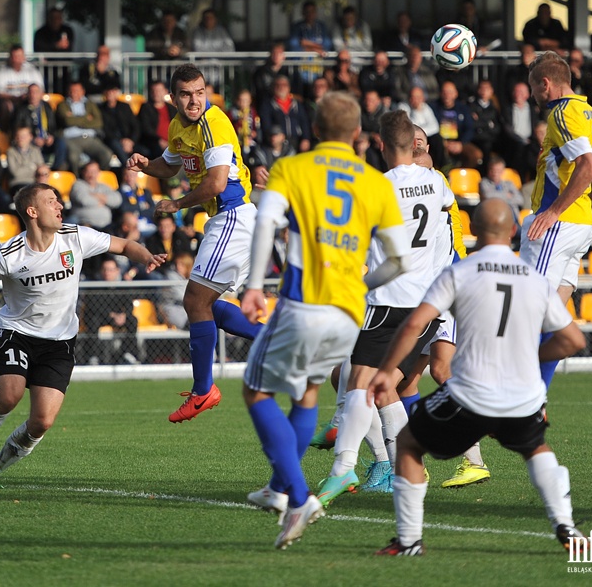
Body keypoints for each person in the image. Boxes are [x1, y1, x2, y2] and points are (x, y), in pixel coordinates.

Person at [368, 199, 587, 556]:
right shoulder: (535, 279)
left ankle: (409, 540)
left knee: (408, 444)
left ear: (472, 231)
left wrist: (383, 370)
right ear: (514, 231)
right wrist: (531, 357)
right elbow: (573, 341)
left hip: (471, 394)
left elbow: (415, 323)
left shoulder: (460, 272)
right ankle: (566, 526)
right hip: (523, 396)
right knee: (535, 448)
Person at [240, 90, 410, 549]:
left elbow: (266, 222)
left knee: (255, 392)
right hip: (350, 312)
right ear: (357, 134)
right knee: (307, 391)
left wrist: (254, 285)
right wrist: (364, 283)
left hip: (303, 300)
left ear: (313, 130)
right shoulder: (376, 183)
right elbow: (399, 261)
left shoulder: (292, 168)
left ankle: (298, 496)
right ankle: (279, 489)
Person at [0, 183, 164, 496]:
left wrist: (145, 255)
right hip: (17, 334)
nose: (59, 206)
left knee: (42, 421)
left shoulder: (76, 236)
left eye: (58, 200)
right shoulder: (10, 254)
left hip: (60, 343)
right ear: (32, 212)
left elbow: (122, 245)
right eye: (51, 201)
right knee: (9, 396)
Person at [315, 110, 453, 507]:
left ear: (378, 144)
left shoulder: (374, 187)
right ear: (414, 144)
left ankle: (343, 468)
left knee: (358, 382)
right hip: (427, 305)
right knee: (385, 386)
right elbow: (441, 207)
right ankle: (406, 470)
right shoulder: (436, 182)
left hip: (388, 300)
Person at [127, 64, 262, 423]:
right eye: (186, 94)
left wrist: (176, 204)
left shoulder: (214, 123)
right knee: (202, 304)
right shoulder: (178, 127)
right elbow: (170, 166)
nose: (194, 100)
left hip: (232, 215)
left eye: (200, 92)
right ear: (172, 98)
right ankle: (276, 342)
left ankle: (204, 391)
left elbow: (217, 183)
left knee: (194, 300)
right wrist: (145, 166)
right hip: (224, 220)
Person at [521, 51, 592, 389]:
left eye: (534, 88)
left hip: (556, 226)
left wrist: (556, 212)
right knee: (552, 317)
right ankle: (537, 396)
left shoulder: (561, 113)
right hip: (581, 224)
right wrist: (585, 221)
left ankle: (518, 396)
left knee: (526, 312)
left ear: (546, 83)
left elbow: (586, 166)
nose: (533, 96)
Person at [81, 255, 141, 365]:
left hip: (117, 317)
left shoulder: (122, 286)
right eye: (105, 269)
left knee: (132, 320)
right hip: (100, 316)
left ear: (117, 271)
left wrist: (124, 315)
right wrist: (111, 315)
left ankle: (129, 354)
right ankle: (92, 356)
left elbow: (128, 304)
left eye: (110, 269)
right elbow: (93, 306)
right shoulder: (94, 285)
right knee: (93, 321)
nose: (107, 272)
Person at [56, 81, 114, 172]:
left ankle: (97, 178)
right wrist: (87, 118)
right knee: (73, 157)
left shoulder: (90, 104)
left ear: (83, 91)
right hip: (71, 139)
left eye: (77, 91)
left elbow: (98, 122)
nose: (74, 93)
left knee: (106, 154)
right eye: (71, 91)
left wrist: (74, 118)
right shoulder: (62, 105)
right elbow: (67, 121)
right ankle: (78, 179)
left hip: (89, 138)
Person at [0, 45, 44, 132]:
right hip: (10, 100)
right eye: (14, 56)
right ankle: (5, 133)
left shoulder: (32, 70)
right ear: (10, 57)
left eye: (19, 56)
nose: (17, 59)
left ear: (24, 57)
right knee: (6, 106)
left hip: (28, 99)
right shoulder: (2, 71)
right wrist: (15, 98)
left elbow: (40, 89)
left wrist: (29, 96)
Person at [257, 75, 312, 154]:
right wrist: (273, 137)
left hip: (296, 140)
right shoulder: (267, 105)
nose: (281, 87)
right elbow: (266, 124)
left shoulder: (297, 104)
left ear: (289, 88)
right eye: (278, 85)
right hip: (277, 143)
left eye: (284, 85)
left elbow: (304, 122)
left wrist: (306, 138)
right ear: (273, 88)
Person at [287, 1, 333, 92]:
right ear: (303, 13)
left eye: (312, 11)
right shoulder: (297, 27)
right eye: (307, 11)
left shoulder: (322, 26)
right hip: (300, 70)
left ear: (316, 13)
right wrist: (316, 49)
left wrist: (306, 43)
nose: (310, 14)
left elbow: (327, 45)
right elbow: (293, 46)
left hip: (318, 70)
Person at [13, 83, 63, 165]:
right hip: (31, 140)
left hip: (46, 140)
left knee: (61, 143)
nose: (33, 95)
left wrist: (51, 136)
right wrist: (33, 138)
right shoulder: (21, 109)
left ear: (41, 94)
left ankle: (56, 168)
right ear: (27, 94)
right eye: (31, 92)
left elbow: (54, 125)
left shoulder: (46, 106)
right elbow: (18, 127)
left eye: (36, 92)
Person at [190, 9, 235, 93]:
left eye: (211, 18)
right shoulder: (197, 32)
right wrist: (217, 53)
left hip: (218, 72)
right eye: (206, 18)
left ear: (215, 19)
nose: (208, 20)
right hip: (202, 72)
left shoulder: (222, 31)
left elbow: (230, 49)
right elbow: (197, 49)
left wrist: (209, 54)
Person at [69, 160, 122, 230]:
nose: (91, 175)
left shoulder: (104, 187)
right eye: (89, 171)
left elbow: (117, 200)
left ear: (98, 173)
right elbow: (84, 200)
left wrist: (96, 196)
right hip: (83, 224)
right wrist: (103, 201)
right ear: (83, 172)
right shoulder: (78, 185)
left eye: (94, 172)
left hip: (106, 226)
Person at [99, 86, 140, 170]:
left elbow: (135, 126)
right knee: (115, 144)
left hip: (128, 140)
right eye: (108, 91)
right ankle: (129, 169)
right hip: (111, 140)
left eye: (113, 91)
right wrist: (122, 141)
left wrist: (131, 141)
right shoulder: (100, 109)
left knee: (145, 151)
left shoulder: (125, 106)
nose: (110, 93)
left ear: (117, 92)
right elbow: (104, 130)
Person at [137, 81, 177, 159]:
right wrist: (158, 140)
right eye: (153, 90)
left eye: (159, 90)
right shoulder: (145, 108)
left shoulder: (171, 109)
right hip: (153, 143)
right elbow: (146, 128)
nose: (156, 93)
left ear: (165, 91)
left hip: (171, 143)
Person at [6, 126, 45, 194]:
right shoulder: (11, 152)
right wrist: (32, 167)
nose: (20, 139)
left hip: (34, 183)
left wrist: (23, 168)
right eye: (18, 136)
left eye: (23, 136)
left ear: (30, 137)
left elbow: (42, 169)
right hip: (18, 184)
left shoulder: (36, 151)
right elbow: (15, 173)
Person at [252, 42, 292, 109]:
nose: (276, 56)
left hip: (285, 105)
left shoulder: (289, 72)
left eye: (279, 53)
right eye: (274, 53)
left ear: (283, 56)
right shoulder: (260, 72)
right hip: (266, 105)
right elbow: (259, 91)